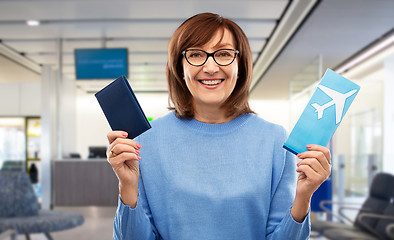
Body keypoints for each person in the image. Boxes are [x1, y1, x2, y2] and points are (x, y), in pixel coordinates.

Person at [107, 12, 331, 240]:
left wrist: (303, 197)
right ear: (179, 67)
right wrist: (127, 187)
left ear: (240, 66)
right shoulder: (146, 141)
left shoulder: (275, 139)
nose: (211, 67)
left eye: (223, 54)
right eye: (195, 54)